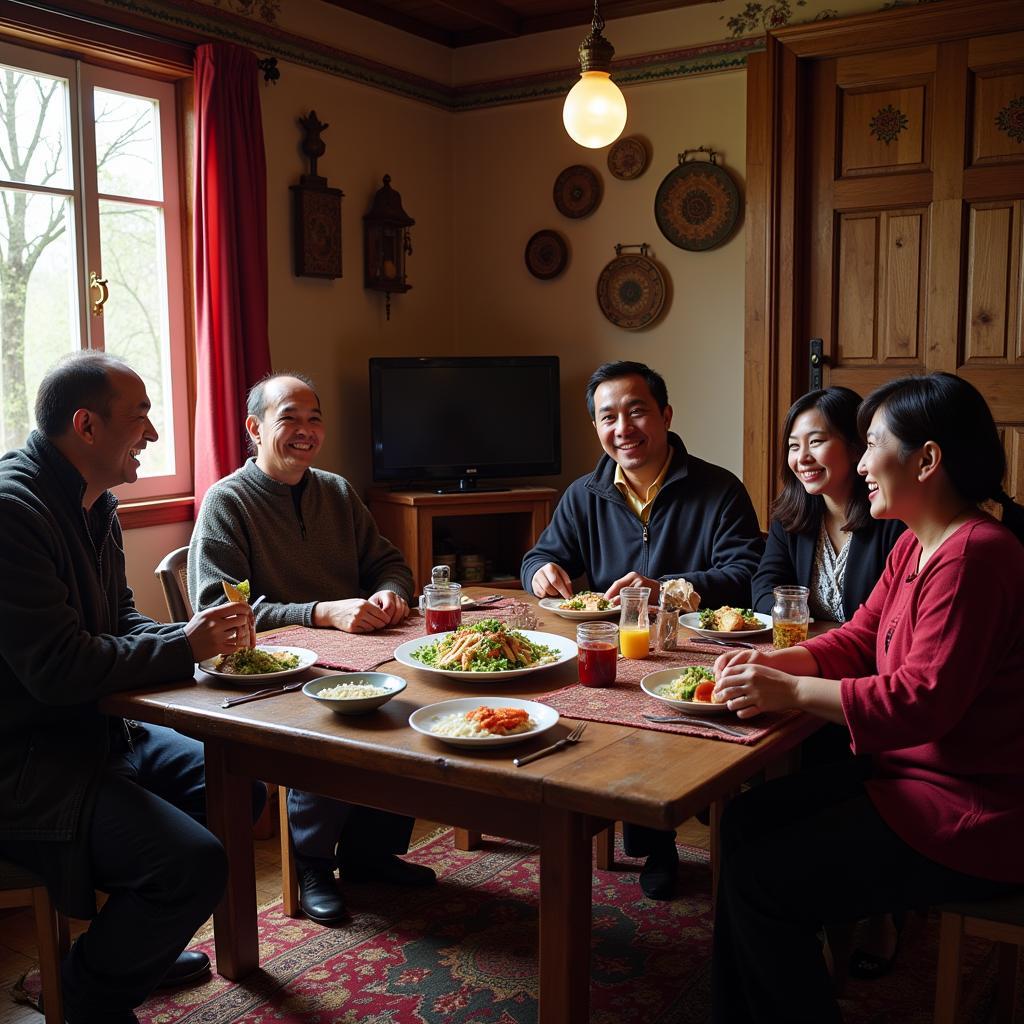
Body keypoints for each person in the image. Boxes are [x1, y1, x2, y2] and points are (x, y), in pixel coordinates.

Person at [710, 372, 1024, 1023]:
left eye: (870, 444)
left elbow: (919, 702)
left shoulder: (975, 557)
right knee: (743, 823)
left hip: (972, 814)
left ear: (927, 459)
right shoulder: (916, 544)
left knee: (759, 880)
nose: (857, 463)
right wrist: (770, 661)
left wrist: (790, 688)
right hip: (915, 782)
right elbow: (858, 639)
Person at [0, 352, 260, 1024]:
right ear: (86, 426)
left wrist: (197, 648)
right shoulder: (12, 514)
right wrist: (182, 645)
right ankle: (82, 995)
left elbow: (120, 621)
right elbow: (59, 668)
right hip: (29, 763)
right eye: (141, 416)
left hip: (98, 733)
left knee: (238, 781)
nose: (151, 433)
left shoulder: (98, 504)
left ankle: (130, 945)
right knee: (191, 866)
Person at [189, 372, 434, 928]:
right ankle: (313, 864)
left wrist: (389, 593)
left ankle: (370, 853)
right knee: (333, 719)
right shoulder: (226, 502)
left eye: (314, 418)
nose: (305, 430)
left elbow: (389, 562)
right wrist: (320, 612)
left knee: (420, 698)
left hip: (357, 649)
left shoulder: (337, 491)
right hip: (271, 668)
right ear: (254, 429)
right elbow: (217, 612)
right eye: (289, 419)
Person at [520, 360, 764, 899]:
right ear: (597, 428)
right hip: (616, 648)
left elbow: (747, 574)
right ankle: (651, 843)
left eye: (637, 411)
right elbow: (540, 554)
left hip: (696, 653)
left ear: (666, 415)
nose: (623, 428)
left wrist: (667, 589)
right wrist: (539, 571)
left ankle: (663, 835)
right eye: (608, 417)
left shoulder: (718, 489)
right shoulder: (585, 493)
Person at [751, 387, 905, 624]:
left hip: (864, 655)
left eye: (816, 441)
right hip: (804, 646)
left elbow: (891, 615)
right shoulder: (791, 516)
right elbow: (764, 586)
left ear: (855, 448)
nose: (802, 458)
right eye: (794, 446)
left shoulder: (891, 518)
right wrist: (796, 622)